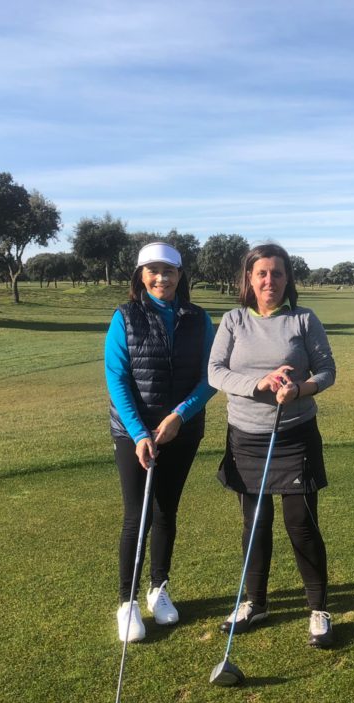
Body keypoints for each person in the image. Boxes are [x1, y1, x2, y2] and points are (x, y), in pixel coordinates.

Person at [207, 243, 337, 648]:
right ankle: (255, 603)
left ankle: (318, 608)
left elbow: (327, 371)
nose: (269, 281)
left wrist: (299, 389)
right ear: (249, 278)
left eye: (277, 273)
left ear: (287, 278)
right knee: (256, 524)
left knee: (301, 524)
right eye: (261, 273)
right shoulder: (233, 321)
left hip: (294, 435)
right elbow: (215, 372)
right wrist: (258, 385)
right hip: (245, 437)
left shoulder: (302, 319)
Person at [104, 242, 215, 641]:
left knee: (167, 511)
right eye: (152, 270)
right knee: (138, 515)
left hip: (181, 431)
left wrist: (178, 417)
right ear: (140, 276)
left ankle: (158, 590)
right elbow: (117, 378)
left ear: (180, 276)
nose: (161, 278)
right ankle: (127, 602)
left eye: (169, 271)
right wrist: (138, 433)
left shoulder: (199, 319)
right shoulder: (125, 316)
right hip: (132, 432)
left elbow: (210, 378)